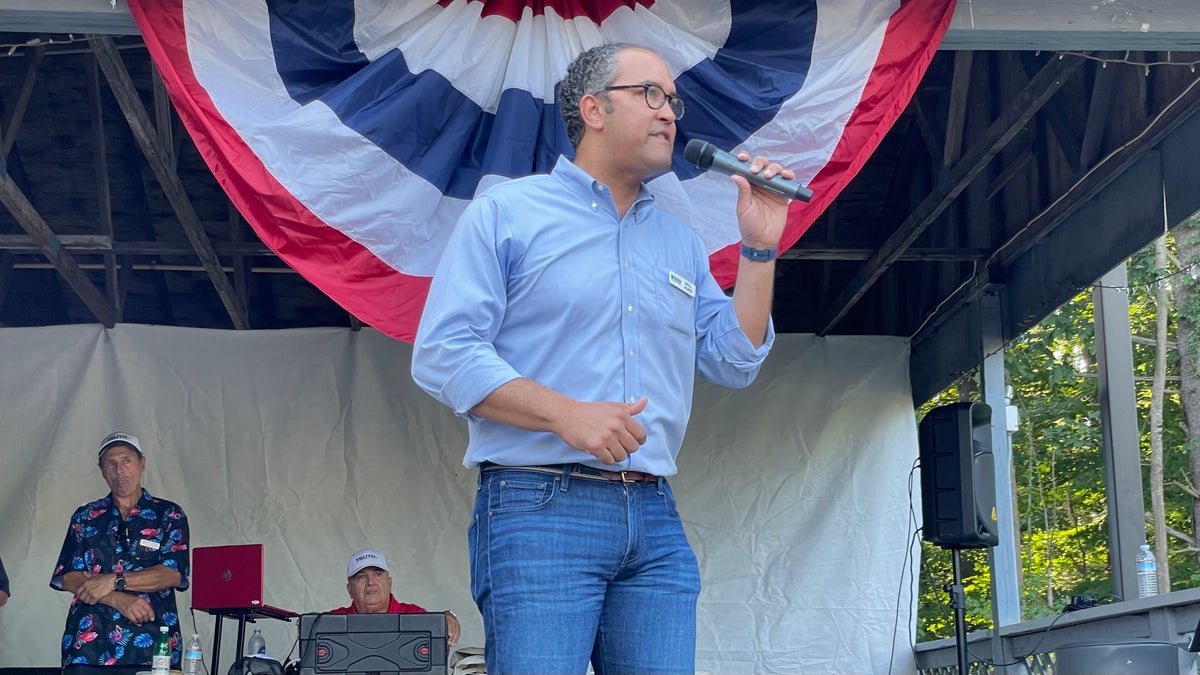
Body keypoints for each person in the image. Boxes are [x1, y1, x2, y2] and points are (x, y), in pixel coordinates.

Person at [411, 42, 793, 674]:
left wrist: (759, 249)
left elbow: (734, 358)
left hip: (654, 513)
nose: (669, 112)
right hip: (538, 505)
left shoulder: (678, 241)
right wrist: (566, 414)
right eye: (650, 94)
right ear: (592, 108)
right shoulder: (507, 213)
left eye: (673, 99)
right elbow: (444, 353)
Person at [50, 432, 190, 672]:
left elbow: (172, 574)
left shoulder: (169, 514)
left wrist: (114, 580)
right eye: (110, 464)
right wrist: (118, 599)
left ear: (142, 464)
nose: (119, 470)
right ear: (102, 471)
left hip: (152, 647)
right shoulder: (86, 516)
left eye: (126, 461)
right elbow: (68, 576)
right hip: (89, 649)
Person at [331, 548, 460, 648]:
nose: (371, 582)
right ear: (350, 590)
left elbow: (436, 655)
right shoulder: (330, 622)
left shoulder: (415, 616)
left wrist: (444, 620)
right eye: (361, 577)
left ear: (389, 583)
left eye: (378, 574)